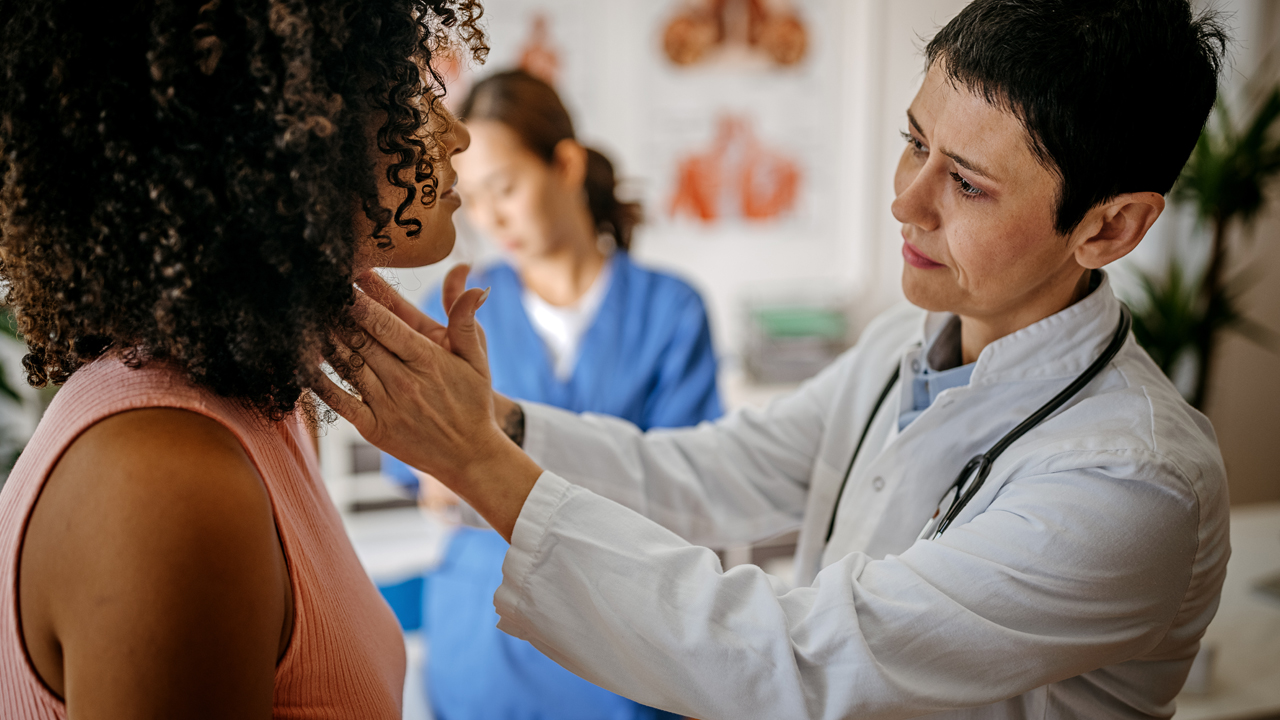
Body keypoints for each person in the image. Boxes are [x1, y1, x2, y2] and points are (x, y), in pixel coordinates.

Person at [322, 0, 1232, 717]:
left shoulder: (1132, 483)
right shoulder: (901, 345)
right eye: (915, 143)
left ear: (1109, 226)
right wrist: (499, 423)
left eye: (965, 182)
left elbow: (801, 662)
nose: (906, 204)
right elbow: (707, 472)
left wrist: (479, 463)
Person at [0, 0, 482, 717]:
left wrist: (477, 447)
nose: (457, 133)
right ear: (285, 135)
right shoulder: (165, 481)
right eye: (407, 90)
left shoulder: (252, 406)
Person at [382, 69, 721, 720]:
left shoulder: (669, 309)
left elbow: (687, 491)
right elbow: (428, 482)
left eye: (504, 187)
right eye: (469, 197)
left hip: (623, 640)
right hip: (485, 640)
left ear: (563, 164)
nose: (488, 218)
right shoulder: (456, 308)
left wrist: (490, 461)